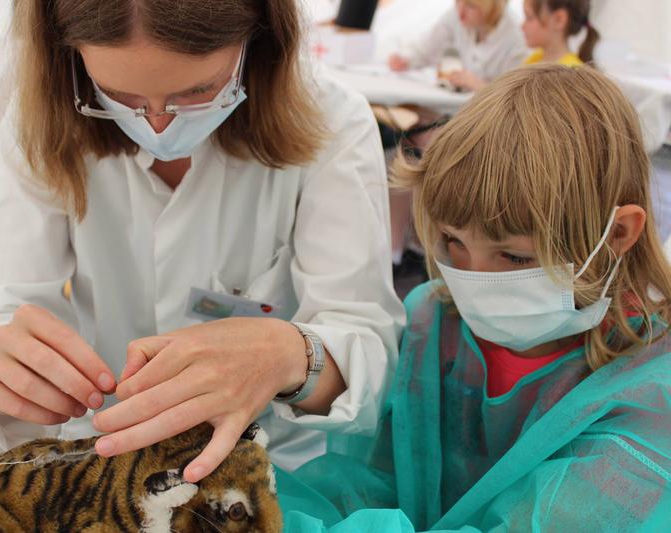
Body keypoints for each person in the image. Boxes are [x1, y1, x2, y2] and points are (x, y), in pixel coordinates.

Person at [0, 0, 405, 484]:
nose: (157, 125)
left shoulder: (333, 123)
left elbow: (369, 349)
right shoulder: (41, 120)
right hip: (101, 448)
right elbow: (0, 309)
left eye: (197, 91)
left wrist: (290, 356)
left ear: (258, 39)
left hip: (275, 464)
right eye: (119, 94)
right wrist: (5, 363)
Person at [279, 64, 671, 531]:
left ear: (618, 233)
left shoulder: (651, 390)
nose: (473, 280)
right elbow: (371, 479)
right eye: (452, 242)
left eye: (514, 256)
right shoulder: (433, 319)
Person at [388, 0, 528, 92]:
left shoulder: (517, 37)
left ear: (493, 8)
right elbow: (425, 49)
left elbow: (512, 96)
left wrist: (480, 86)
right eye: (458, 1)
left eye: (471, 6)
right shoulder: (455, 16)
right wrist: (406, 60)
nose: (460, 12)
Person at [522, 0, 599, 66]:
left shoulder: (572, 72)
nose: (522, 26)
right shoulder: (534, 58)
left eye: (529, 17)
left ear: (559, 19)